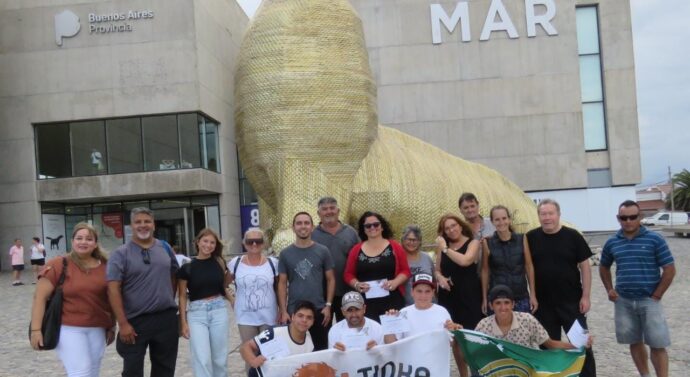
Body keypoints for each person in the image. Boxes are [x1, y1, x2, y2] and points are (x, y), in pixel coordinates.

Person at [599, 200, 676, 377]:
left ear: (640, 217)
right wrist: (610, 289)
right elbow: (603, 267)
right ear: (618, 218)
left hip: (650, 300)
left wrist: (657, 294)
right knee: (634, 341)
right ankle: (645, 375)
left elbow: (669, 269)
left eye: (632, 217)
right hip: (623, 300)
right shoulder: (612, 242)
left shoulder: (655, 239)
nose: (628, 221)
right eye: (623, 218)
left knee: (657, 343)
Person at [30, 223, 115, 377]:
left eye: (89, 239)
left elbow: (111, 299)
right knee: (80, 371)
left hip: (98, 327)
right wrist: (36, 330)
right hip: (69, 327)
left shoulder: (106, 266)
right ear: (72, 241)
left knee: (93, 371)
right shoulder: (58, 264)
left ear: (95, 243)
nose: (83, 242)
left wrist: (112, 326)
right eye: (79, 238)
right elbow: (39, 298)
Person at [526, 199, 596, 377]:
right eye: (543, 214)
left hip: (572, 302)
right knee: (548, 347)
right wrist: (532, 295)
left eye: (551, 213)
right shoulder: (531, 237)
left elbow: (585, 267)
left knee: (582, 345)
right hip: (544, 305)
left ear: (558, 215)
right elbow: (528, 268)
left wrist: (586, 296)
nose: (547, 218)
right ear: (538, 216)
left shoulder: (573, 236)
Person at [107, 207, 180, 377]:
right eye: (138, 222)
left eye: (147, 221)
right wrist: (123, 323)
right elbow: (113, 290)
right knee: (132, 370)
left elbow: (174, 275)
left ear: (154, 225)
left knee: (165, 369)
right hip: (135, 322)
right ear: (131, 226)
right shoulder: (120, 254)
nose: (143, 225)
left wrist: (169, 297)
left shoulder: (165, 248)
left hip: (166, 320)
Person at [277, 212, 336, 351]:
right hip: (294, 311)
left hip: (319, 311)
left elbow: (331, 279)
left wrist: (328, 306)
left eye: (306, 223)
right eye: (299, 223)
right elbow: (282, 283)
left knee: (321, 351)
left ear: (312, 227)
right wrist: (283, 311)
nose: (303, 226)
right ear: (293, 227)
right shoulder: (285, 253)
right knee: (295, 352)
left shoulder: (323, 251)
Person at [177, 228, 231, 377]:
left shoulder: (219, 262)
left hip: (219, 309)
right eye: (205, 241)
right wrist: (183, 322)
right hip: (196, 313)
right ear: (198, 242)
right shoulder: (186, 268)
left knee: (220, 358)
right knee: (202, 358)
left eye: (212, 242)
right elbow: (182, 296)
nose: (208, 245)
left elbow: (222, 287)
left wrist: (233, 301)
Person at [434, 214, 483, 377]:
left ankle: (477, 372)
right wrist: (440, 278)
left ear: (461, 226)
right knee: (455, 338)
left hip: (470, 296)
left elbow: (465, 260)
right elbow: (437, 269)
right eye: (447, 228)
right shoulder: (443, 246)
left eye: (453, 225)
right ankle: (463, 375)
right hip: (449, 297)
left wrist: (446, 249)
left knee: (473, 336)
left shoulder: (473, 242)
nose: (451, 230)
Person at [383, 274, 462, 370]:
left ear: (433, 292)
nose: (423, 295)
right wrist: (390, 324)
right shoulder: (403, 313)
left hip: (436, 369)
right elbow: (390, 345)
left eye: (427, 291)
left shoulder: (442, 312)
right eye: (419, 291)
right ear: (412, 292)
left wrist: (453, 330)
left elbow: (451, 343)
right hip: (410, 369)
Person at [475, 285, 590, 350]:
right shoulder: (483, 326)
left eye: (506, 302)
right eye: (498, 303)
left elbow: (550, 344)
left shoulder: (527, 320)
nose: (503, 307)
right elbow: (473, 352)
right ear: (491, 305)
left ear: (513, 304)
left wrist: (578, 345)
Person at [229, 227, 280, 371]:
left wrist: (282, 308)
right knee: (249, 354)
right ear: (244, 243)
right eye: (250, 241)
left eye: (258, 241)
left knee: (269, 351)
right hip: (245, 317)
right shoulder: (235, 263)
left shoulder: (272, 263)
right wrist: (232, 299)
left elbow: (278, 288)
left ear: (263, 243)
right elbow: (223, 284)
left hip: (268, 316)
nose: (254, 244)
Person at [344, 211, 411, 319]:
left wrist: (395, 282)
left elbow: (405, 271)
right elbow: (348, 274)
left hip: (392, 301)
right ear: (364, 229)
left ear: (382, 227)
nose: (372, 227)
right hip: (365, 304)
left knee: (393, 334)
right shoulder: (356, 250)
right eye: (368, 225)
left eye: (376, 224)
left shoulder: (395, 246)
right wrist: (357, 285)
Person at [481, 205, 537, 314]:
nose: (501, 222)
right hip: (498, 299)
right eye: (497, 219)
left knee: (522, 330)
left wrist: (533, 295)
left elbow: (529, 266)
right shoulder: (487, 242)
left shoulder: (522, 238)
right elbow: (485, 271)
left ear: (509, 219)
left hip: (520, 296)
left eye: (504, 218)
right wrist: (484, 298)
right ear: (492, 222)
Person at [311, 196, 360, 321]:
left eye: (332, 208)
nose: (329, 212)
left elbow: (360, 258)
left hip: (347, 291)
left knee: (347, 330)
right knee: (322, 332)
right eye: (324, 209)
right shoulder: (312, 235)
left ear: (338, 211)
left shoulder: (351, 233)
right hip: (321, 294)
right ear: (318, 213)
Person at [241, 300, 316, 377]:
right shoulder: (275, 332)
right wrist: (253, 360)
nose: (304, 320)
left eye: (309, 318)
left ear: (313, 321)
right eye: (300, 316)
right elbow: (246, 347)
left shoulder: (310, 342)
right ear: (293, 317)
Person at [400, 224, 434, 306]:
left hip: (429, 305)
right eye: (409, 239)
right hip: (407, 307)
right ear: (403, 240)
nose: (411, 243)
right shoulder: (398, 258)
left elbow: (434, 280)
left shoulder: (426, 257)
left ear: (419, 242)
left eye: (415, 240)